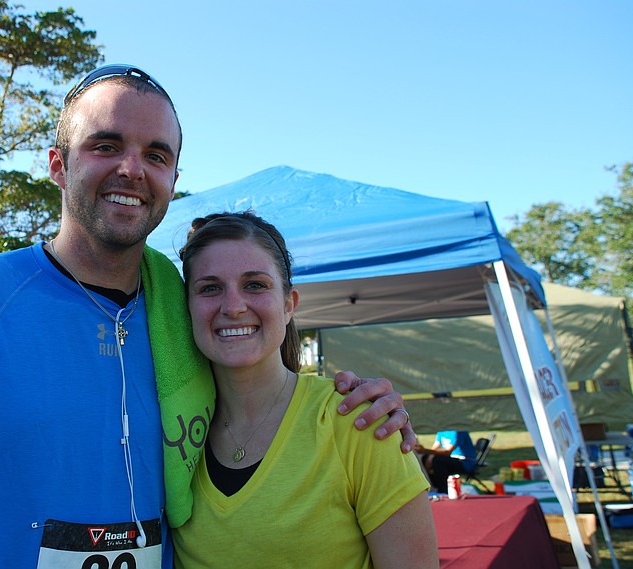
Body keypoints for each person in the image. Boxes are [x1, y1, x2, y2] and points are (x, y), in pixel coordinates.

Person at [0, 64, 414, 568]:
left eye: (156, 155)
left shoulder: (188, 322)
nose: (133, 170)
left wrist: (371, 404)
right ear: (59, 165)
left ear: (172, 182)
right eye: (106, 146)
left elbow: (269, 397)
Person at [169, 211, 437, 568]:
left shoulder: (360, 420)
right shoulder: (172, 437)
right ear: (186, 309)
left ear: (288, 304)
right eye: (209, 288)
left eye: (255, 285)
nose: (233, 307)